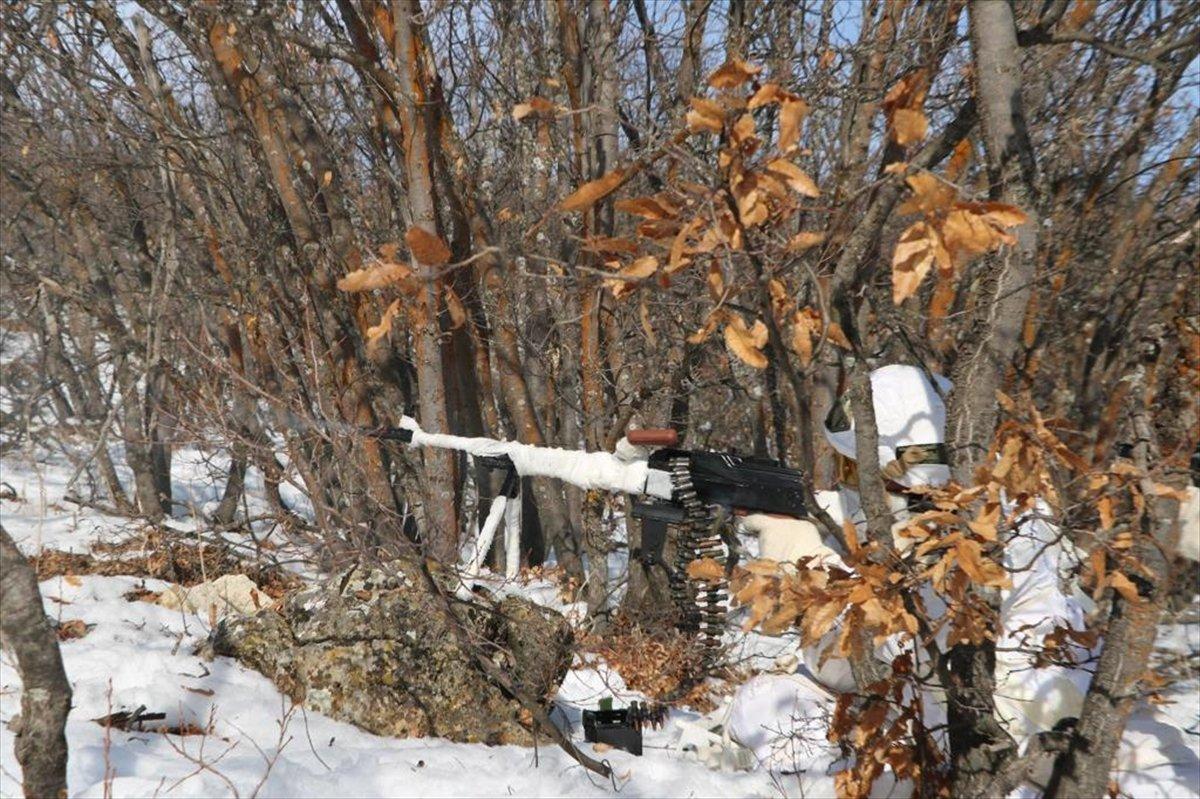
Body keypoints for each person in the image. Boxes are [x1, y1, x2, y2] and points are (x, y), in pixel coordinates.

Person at [689, 365, 1197, 797]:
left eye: (855, 465)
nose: (847, 479)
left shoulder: (965, 545)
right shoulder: (1019, 513)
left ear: (893, 466)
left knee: (770, 707)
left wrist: (793, 561)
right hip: (1064, 724)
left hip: (999, 739)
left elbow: (858, 666)